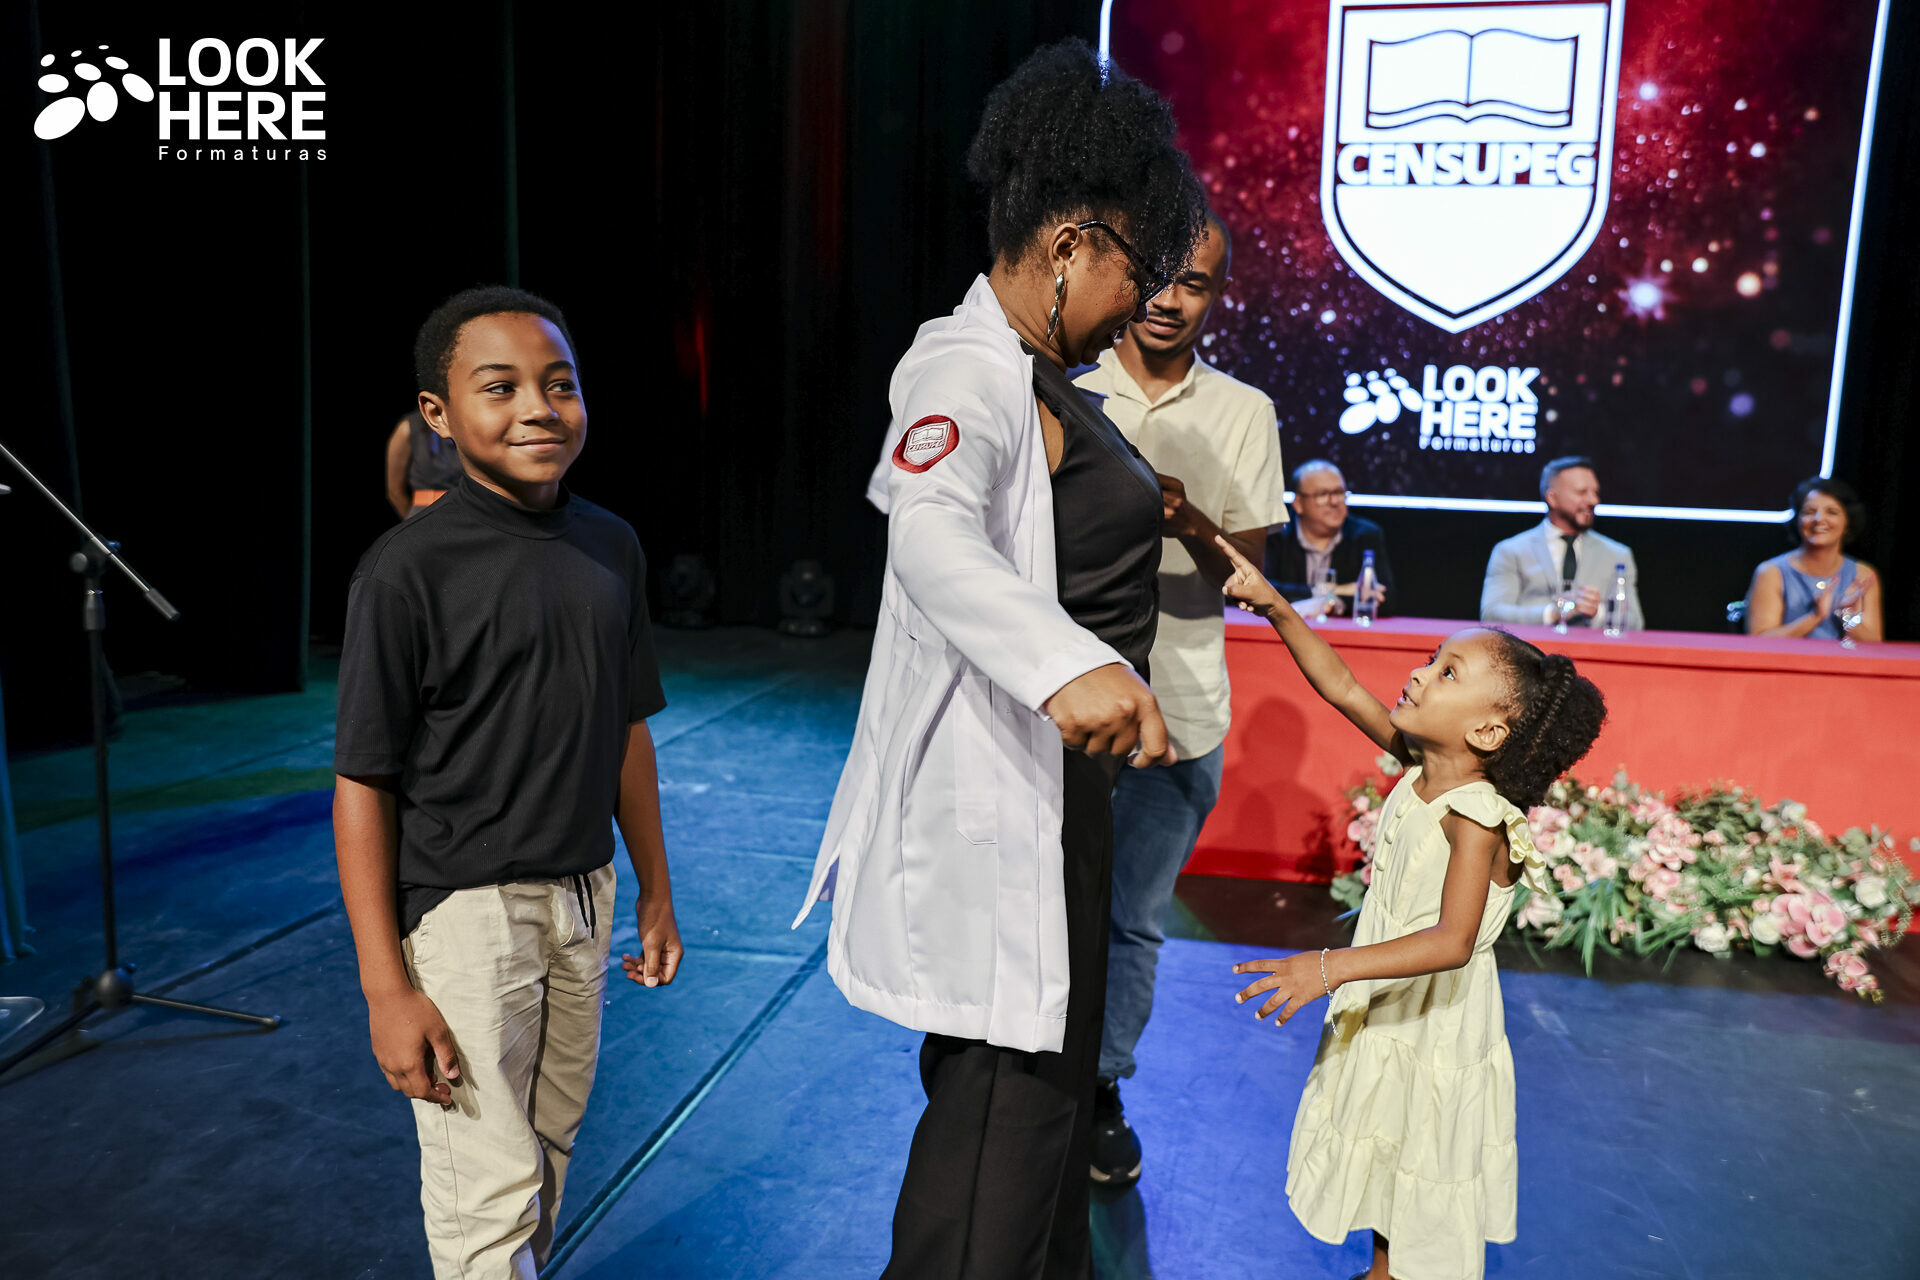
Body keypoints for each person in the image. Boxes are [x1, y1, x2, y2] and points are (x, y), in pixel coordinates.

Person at [791, 39, 1206, 1280]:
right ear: (1071, 241)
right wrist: (1064, 663)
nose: (1141, 305)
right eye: (1136, 270)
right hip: (1003, 807)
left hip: (1067, 804)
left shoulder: (1047, 378)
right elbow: (929, 530)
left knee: (1047, 1137)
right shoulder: (963, 366)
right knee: (998, 1142)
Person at [333, 286, 684, 1279]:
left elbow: (627, 729)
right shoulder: (406, 572)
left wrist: (654, 887)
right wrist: (386, 987)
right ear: (438, 414)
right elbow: (363, 783)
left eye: (559, 384)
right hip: (468, 919)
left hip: (583, 898)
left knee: (543, 1162)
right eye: (501, 387)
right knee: (484, 1199)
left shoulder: (610, 545)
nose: (539, 407)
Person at [1213, 533, 1606, 1280]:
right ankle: (1384, 1270)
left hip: (1436, 1019)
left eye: (1447, 671)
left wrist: (1327, 969)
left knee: (1423, 1143)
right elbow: (1341, 686)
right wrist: (1276, 607)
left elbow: (1453, 941)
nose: (1421, 673)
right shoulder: (1420, 765)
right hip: (1393, 999)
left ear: (1487, 730)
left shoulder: (1475, 817)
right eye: (1432, 658)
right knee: (1388, 1130)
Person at [1072, 210, 1291, 1186]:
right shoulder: (1068, 383)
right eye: (1157, 275)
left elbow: (1254, 576)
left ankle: (1099, 1089)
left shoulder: (1244, 410)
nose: (1169, 299)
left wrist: (1188, 518)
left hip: (1184, 711)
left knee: (1131, 919)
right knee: (1035, 906)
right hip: (1060, 703)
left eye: (1193, 282)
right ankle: (1024, 1083)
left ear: (1218, 295)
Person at [1480, 455, 1643, 629]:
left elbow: (1635, 623)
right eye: (1582, 492)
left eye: (1595, 493)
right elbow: (1491, 614)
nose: (1593, 501)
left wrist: (1598, 613)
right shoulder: (1511, 551)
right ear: (1552, 498)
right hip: (1532, 645)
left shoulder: (1617, 555)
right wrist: (1552, 613)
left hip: (1590, 645)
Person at [1744, 476, 1882, 642]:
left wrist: (1848, 616)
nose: (1819, 519)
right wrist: (1815, 617)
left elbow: (1875, 646)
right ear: (1798, 520)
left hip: (1843, 659)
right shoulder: (1771, 572)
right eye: (1809, 512)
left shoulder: (1863, 574)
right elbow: (1759, 641)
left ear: (1847, 522)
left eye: (1832, 512)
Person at [1264, 459, 1394, 618]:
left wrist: (1330, 603)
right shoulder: (1276, 534)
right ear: (1298, 503)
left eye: (1339, 492)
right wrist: (1332, 591)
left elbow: (1384, 597)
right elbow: (1263, 590)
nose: (1334, 502)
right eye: (1322, 494)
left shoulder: (1365, 535)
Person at [385, 407, 468, 518]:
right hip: (426, 512)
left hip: (470, 511)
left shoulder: (469, 422)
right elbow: (395, 491)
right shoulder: (409, 429)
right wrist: (414, 521)